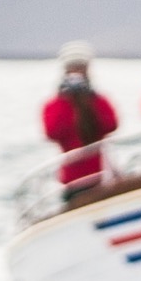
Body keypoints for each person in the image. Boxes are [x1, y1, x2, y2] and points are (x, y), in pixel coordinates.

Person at [41, 41, 117, 192]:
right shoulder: (56, 104)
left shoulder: (98, 101)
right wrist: (66, 99)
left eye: (81, 68)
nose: (77, 73)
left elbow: (112, 124)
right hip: (71, 181)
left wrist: (89, 100)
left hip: (101, 177)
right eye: (72, 69)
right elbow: (52, 132)